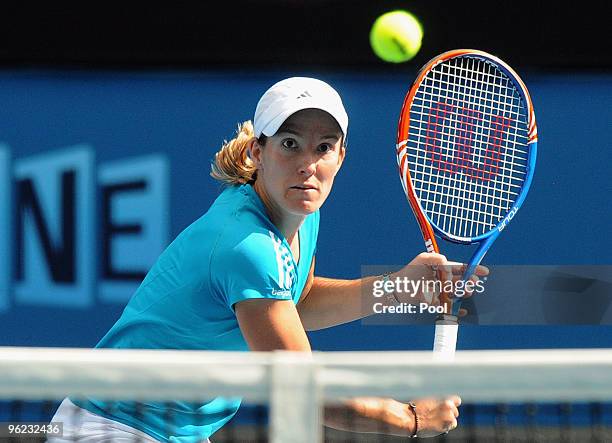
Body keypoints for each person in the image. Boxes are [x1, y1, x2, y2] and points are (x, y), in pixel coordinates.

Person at [49, 77, 486, 442]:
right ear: (258, 152)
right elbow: (302, 391)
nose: (306, 165)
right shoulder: (247, 246)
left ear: (340, 157)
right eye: (290, 144)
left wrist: (396, 288)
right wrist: (411, 418)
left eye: (323, 148)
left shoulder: (298, 214)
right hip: (110, 430)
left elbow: (295, 302)